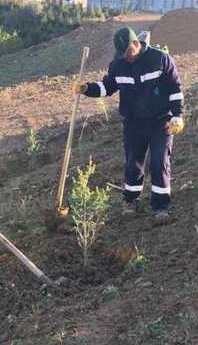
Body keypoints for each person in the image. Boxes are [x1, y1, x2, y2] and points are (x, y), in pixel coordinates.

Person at [73, 27, 185, 223]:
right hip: (134, 123)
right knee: (133, 163)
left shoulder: (159, 59)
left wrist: (178, 116)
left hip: (161, 122)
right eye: (122, 54)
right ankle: (130, 200)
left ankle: (161, 207)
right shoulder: (118, 65)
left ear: (136, 44)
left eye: (128, 52)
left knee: (159, 163)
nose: (126, 57)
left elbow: (175, 88)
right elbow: (107, 87)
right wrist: (86, 89)